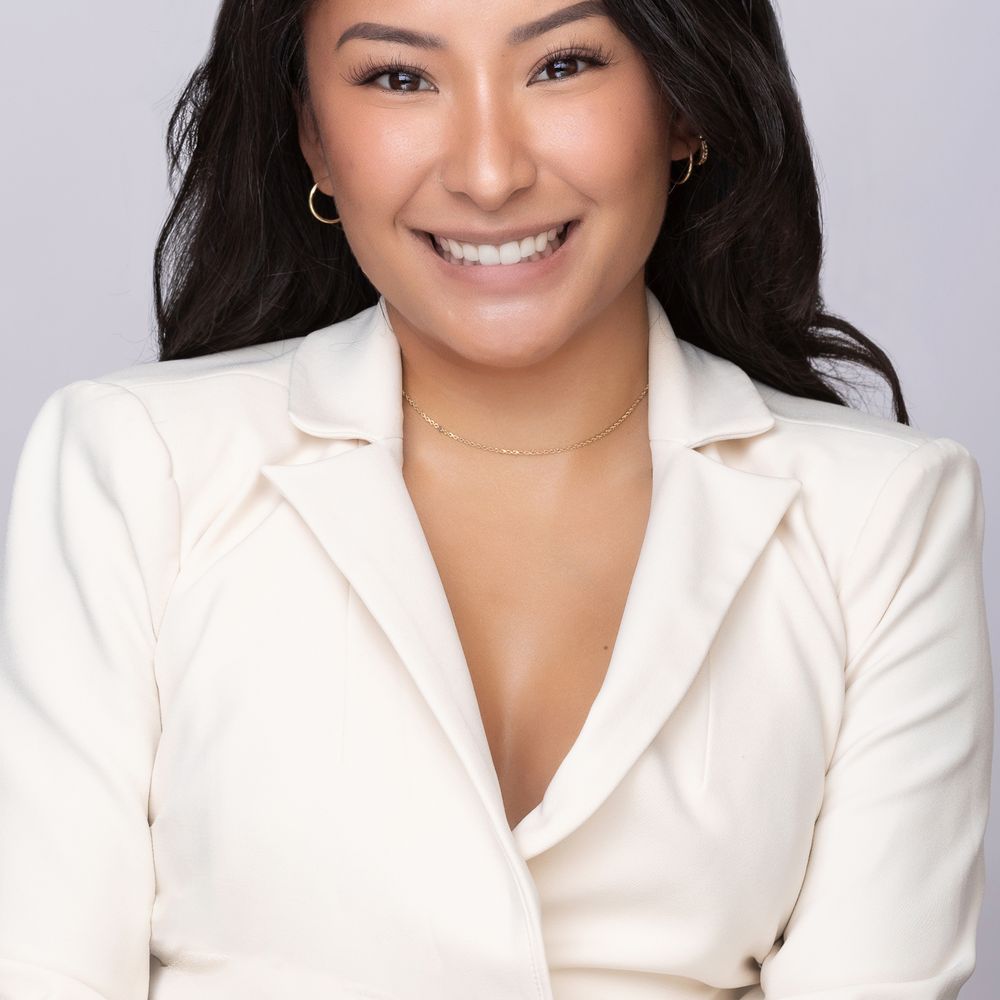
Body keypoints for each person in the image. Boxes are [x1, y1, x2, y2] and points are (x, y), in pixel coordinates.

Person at [0, 0, 992, 997]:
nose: (489, 173)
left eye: (561, 66)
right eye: (399, 78)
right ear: (315, 138)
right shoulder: (140, 468)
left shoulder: (881, 518)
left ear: (684, 103)